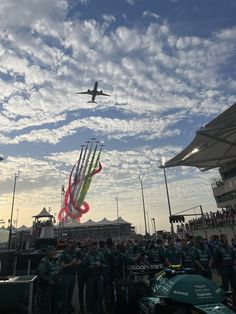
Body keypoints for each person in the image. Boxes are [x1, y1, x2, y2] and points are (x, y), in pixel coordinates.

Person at [83, 241, 106, 314]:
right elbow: (83, 267)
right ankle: (90, 309)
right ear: (90, 246)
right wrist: (91, 266)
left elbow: (105, 264)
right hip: (90, 277)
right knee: (90, 294)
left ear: (97, 246)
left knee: (100, 294)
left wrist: (100, 265)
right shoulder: (86, 255)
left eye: (95, 245)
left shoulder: (100, 254)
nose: (94, 247)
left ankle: (99, 309)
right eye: (92, 245)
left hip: (99, 277)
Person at [37, 245, 61, 314]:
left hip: (56, 285)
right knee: (46, 305)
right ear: (48, 252)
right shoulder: (44, 261)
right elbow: (41, 273)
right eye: (53, 251)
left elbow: (58, 270)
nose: (55, 252)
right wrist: (48, 281)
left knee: (56, 303)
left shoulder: (55, 260)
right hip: (48, 287)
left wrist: (59, 278)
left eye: (55, 251)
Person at [59, 238, 77, 314]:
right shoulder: (64, 253)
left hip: (72, 276)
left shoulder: (74, 252)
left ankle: (68, 309)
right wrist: (70, 264)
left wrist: (77, 263)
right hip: (65, 277)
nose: (72, 244)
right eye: (70, 242)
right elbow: (61, 265)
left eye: (73, 242)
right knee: (65, 296)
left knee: (70, 296)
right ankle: (64, 311)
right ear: (67, 243)